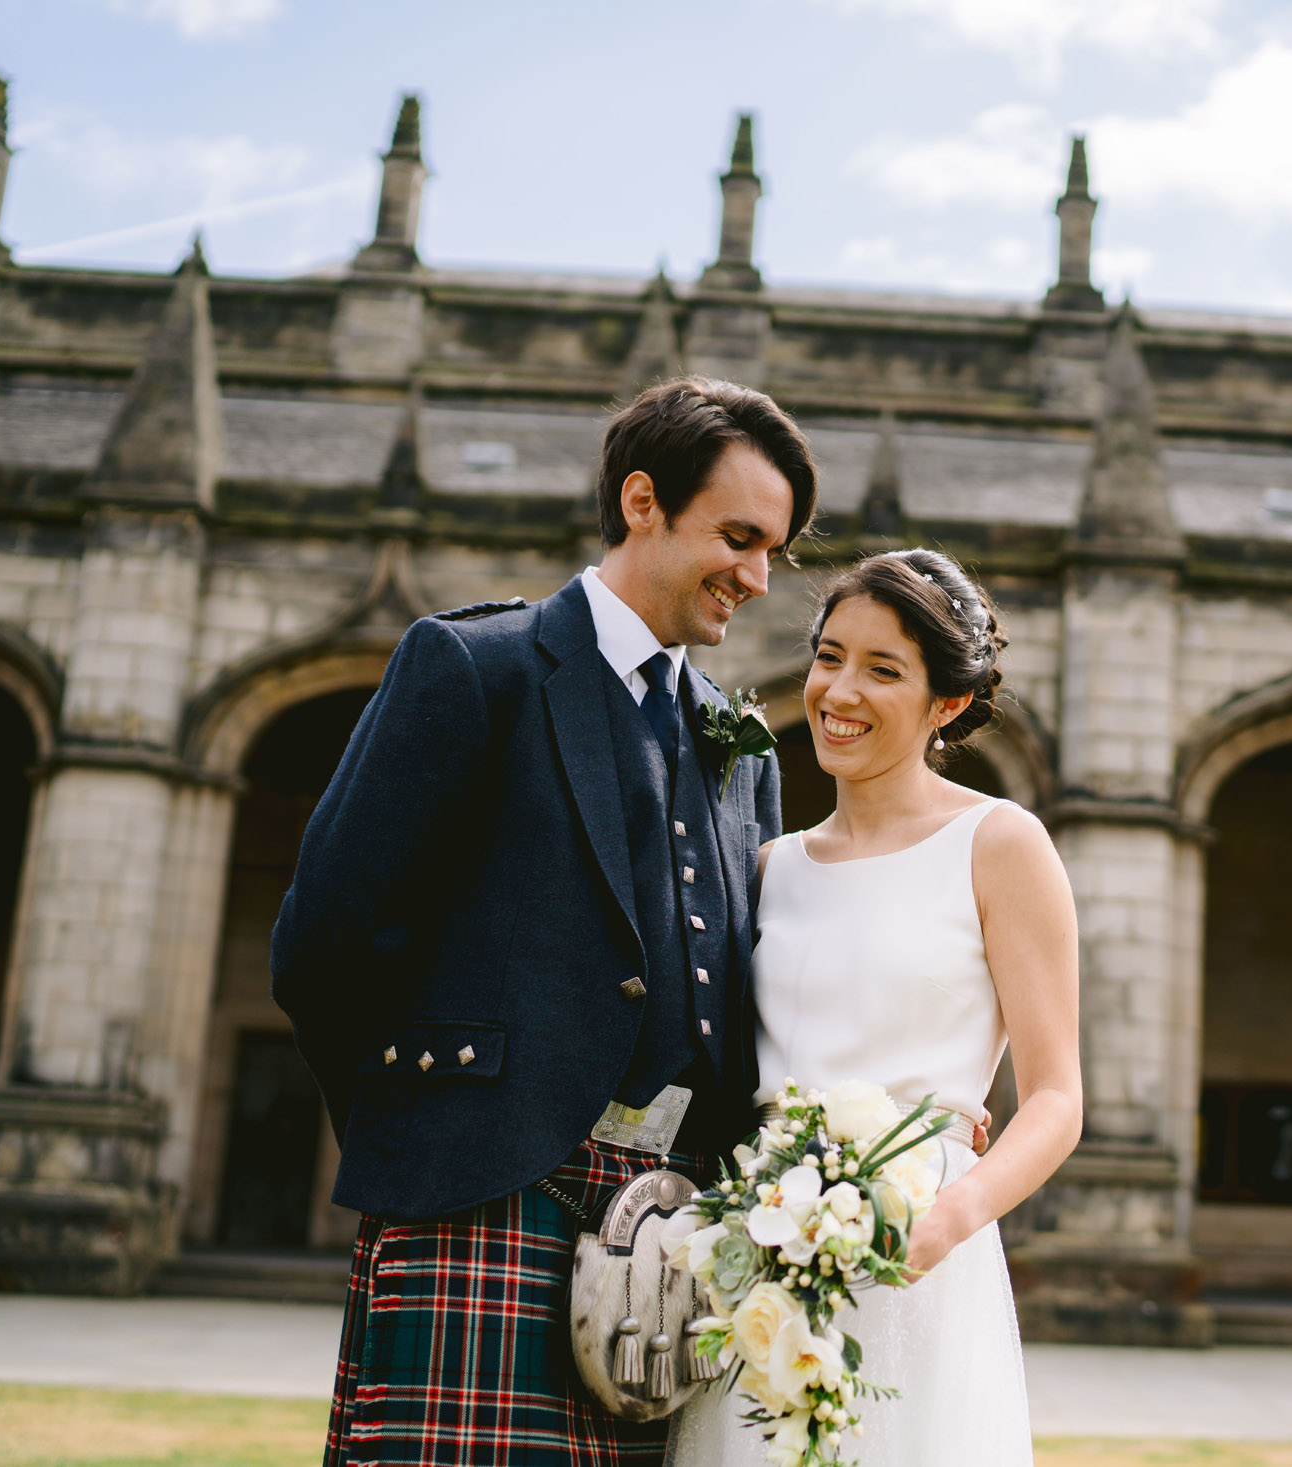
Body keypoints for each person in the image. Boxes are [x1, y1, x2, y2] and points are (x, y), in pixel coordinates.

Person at [271, 376, 817, 1465]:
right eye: (740, 537)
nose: (757, 579)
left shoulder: (738, 741)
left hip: (671, 1226)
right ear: (643, 500)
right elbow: (323, 942)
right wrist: (436, 1123)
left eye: (776, 553)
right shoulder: (477, 666)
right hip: (480, 1194)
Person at [666, 548, 1083, 1467]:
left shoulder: (999, 844)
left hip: (917, 1252)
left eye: (883, 670)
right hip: (762, 1243)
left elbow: (1056, 1098)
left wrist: (947, 1217)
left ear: (949, 704)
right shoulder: (769, 866)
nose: (839, 691)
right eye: (829, 656)